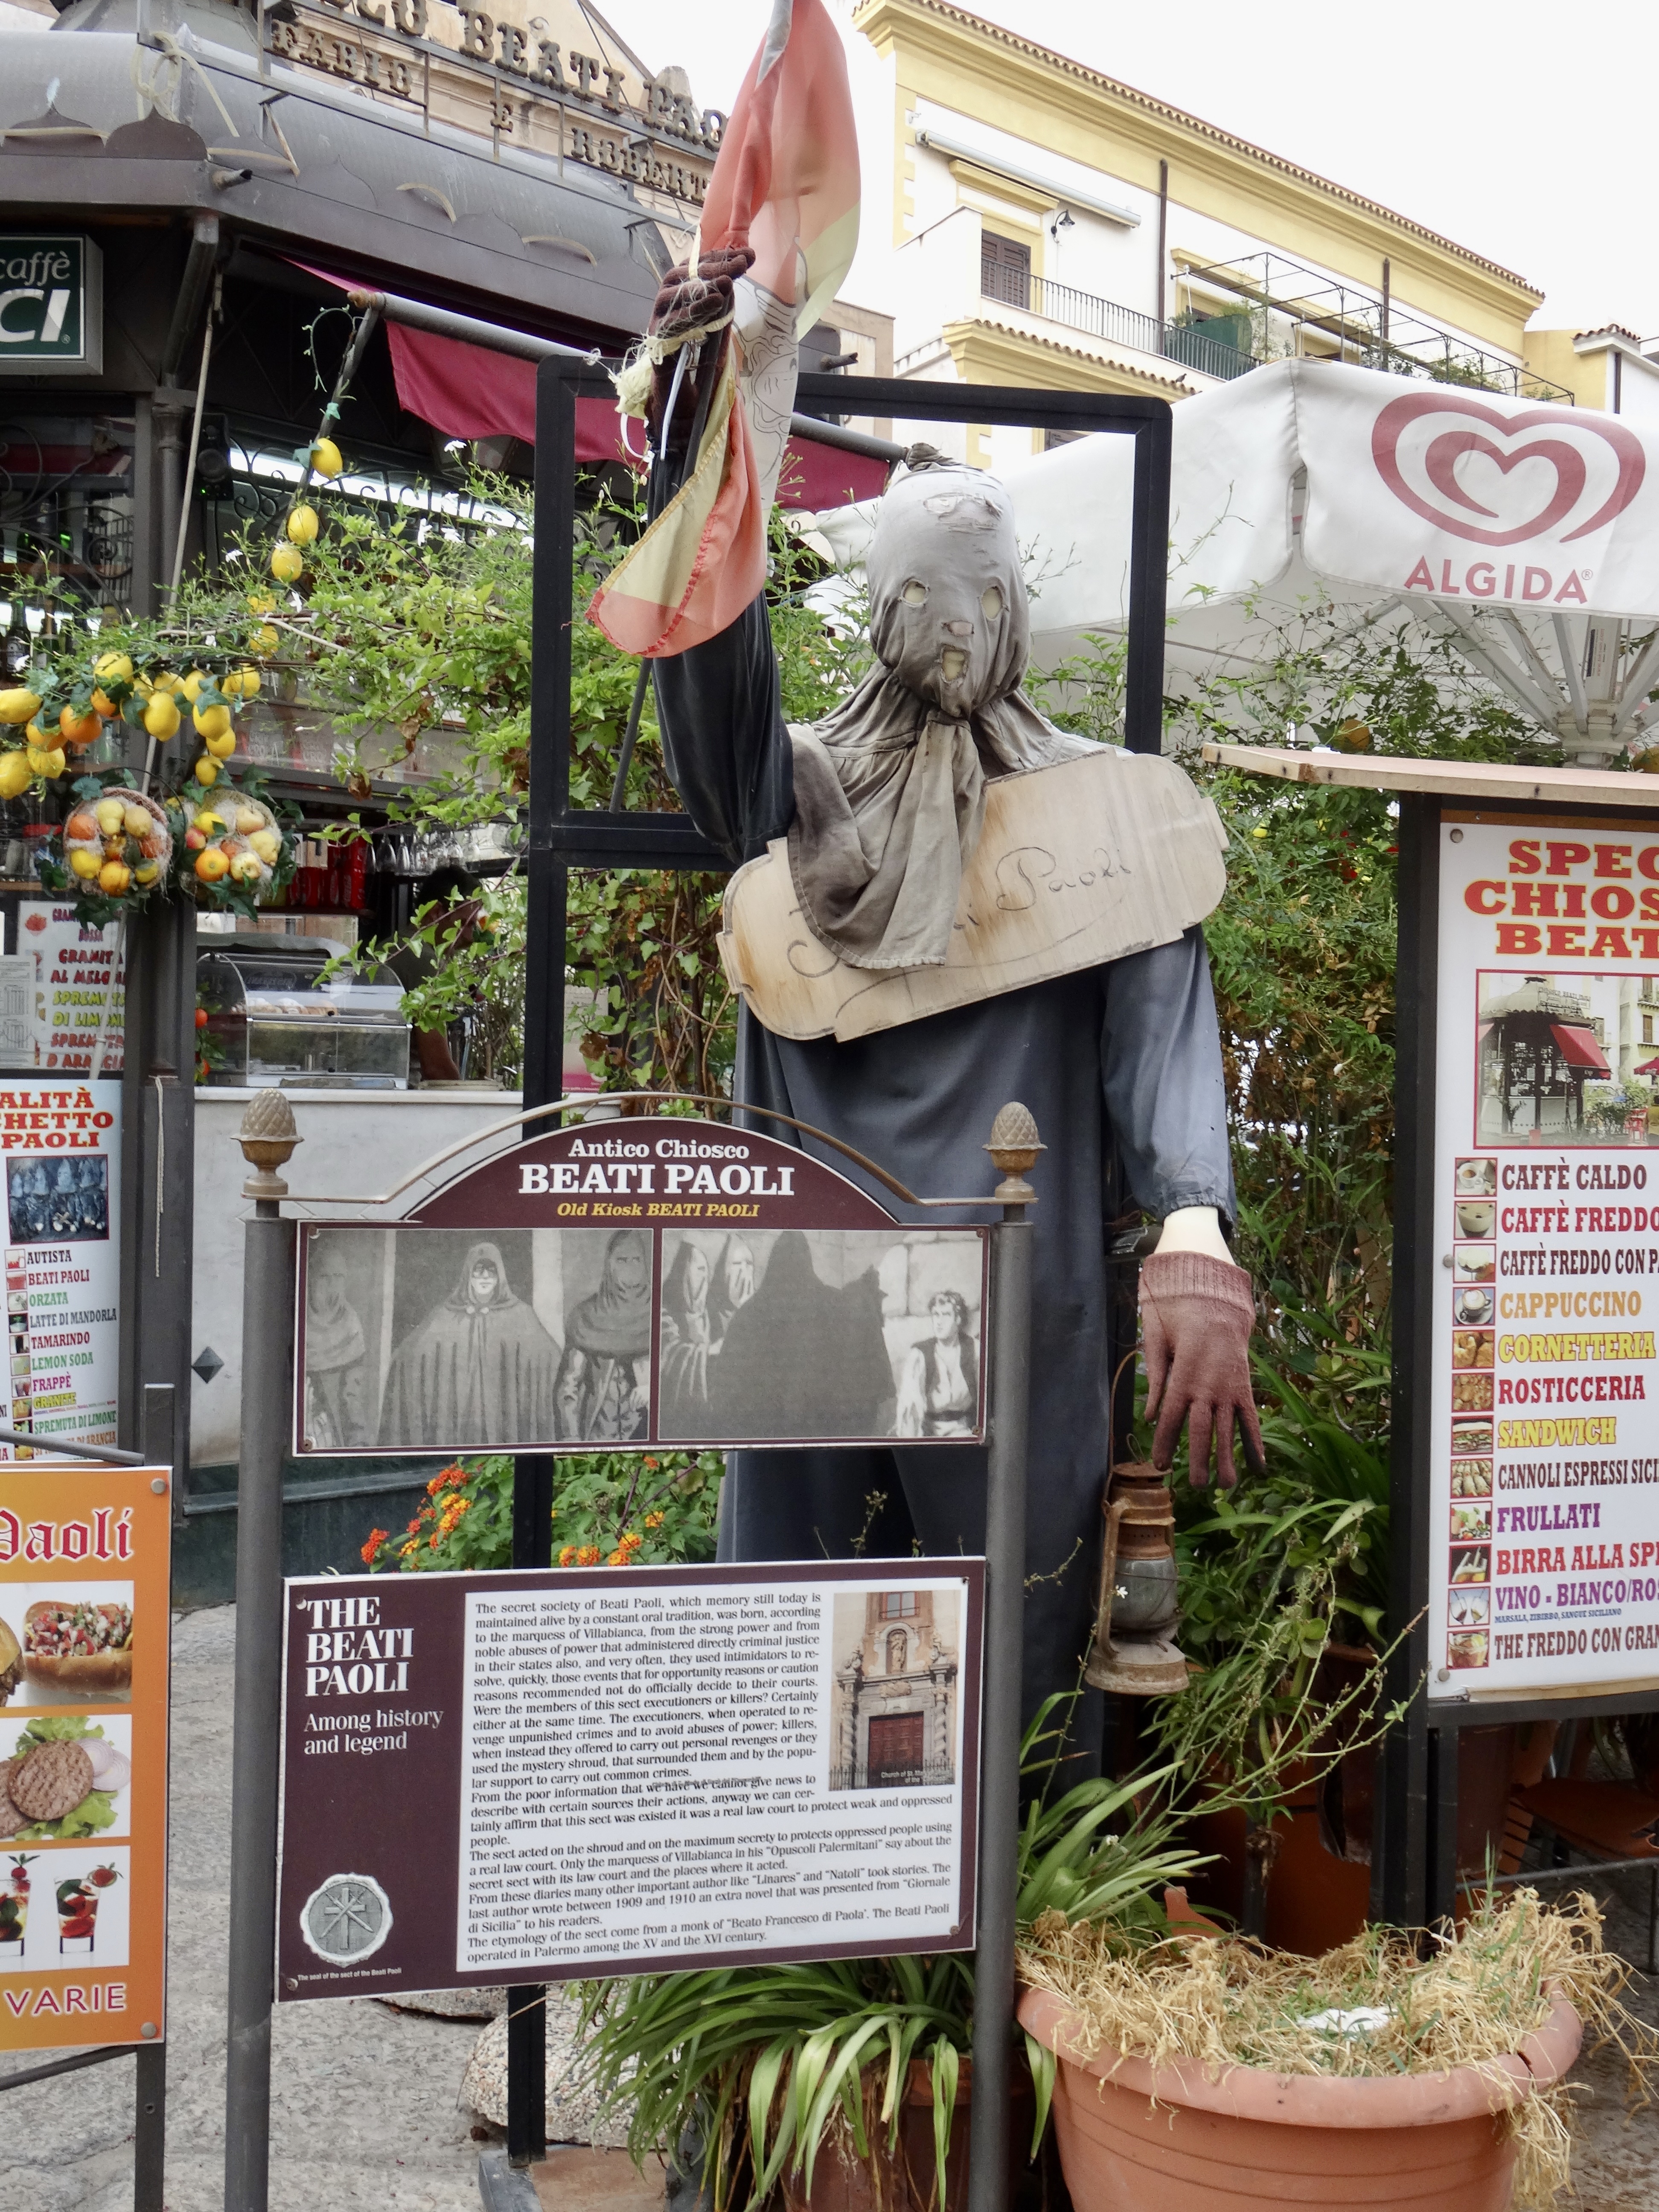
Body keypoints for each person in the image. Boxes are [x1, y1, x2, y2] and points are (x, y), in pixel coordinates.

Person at [641, 250, 1263, 1762]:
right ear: (878, 608)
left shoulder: (1103, 815)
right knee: (802, 1628)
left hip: (1014, 1303)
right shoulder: (788, 788)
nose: (951, 627)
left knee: (1020, 1636)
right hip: (806, 1292)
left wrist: (1192, 1224)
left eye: (975, 597)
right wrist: (708, 417)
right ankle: (818, 1901)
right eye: (920, 594)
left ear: (1013, 610)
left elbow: (1160, 1032)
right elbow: (706, 647)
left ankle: (1007, 1895)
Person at [713, 1229, 893, 1440]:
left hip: (768, 1431)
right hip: (824, 1427)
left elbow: (729, 1385)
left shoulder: (749, 1313)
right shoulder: (835, 1305)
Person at [380, 1239, 560, 1447]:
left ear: (500, 1275)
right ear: (468, 1275)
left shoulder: (521, 1315)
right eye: (478, 1270)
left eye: (491, 1271)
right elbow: (412, 1353)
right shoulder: (446, 1315)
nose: (485, 1277)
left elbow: (549, 1355)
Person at [554, 1229, 652, 1442]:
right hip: (596, 1435)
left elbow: (676, 1382)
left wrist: (653, 1389)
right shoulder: (585, 1317)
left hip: (644, 1433)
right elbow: (568, 1389)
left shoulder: (660, 1315)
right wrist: (571, 1440)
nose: (630, 1267)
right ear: (609, 1265)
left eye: (637, 1260)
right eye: (622, 1260)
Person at [304, 1248, 370, 1449]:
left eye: (339, 1277)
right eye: (325, 1277)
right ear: (311, 1279)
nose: (333, 1285)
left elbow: (354, 1397)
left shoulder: (351, 1325)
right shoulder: (297, 1319)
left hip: (337, 1433)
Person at [894, 1290, 978, 1439]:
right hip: (929, 1433)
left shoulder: (975, 1350)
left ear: (958, 1319)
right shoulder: (920, 1355)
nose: (939, 1322)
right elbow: (911, 1408)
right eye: (936, 1315)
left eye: (946, 1315)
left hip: (966, 1431)